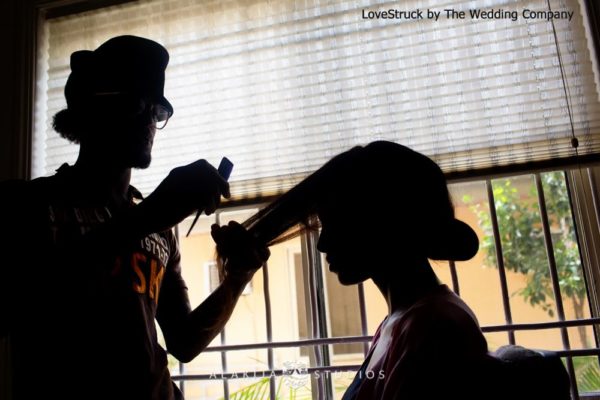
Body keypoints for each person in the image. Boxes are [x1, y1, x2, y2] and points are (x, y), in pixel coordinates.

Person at [0, 35, 269, 400]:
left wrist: (237, 278)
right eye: (136, 103)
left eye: (156, 111)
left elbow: (184, 341)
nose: (147, 121)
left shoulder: (160, 227)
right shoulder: (29, 204)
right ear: (90, 109)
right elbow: (20, 301)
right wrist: (145, 218)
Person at [237, 140, 499, 399]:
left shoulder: (433, 328)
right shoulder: (403, 321)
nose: (322, 243)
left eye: (337, 223)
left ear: (383, 220)